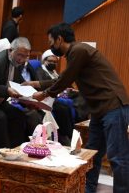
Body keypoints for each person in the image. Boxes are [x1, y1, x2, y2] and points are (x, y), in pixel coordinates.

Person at [29, 23, 129, 193]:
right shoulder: (76, 53)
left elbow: (65, 79)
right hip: (99, 111)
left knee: (117, 157)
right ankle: (88, 189)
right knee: (91, 154)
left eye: (51, 42)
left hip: (112, 106)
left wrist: (44, 93)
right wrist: (36, 83)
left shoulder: (78, 50)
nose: (51, 47)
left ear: (60, 39)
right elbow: (64, 78)